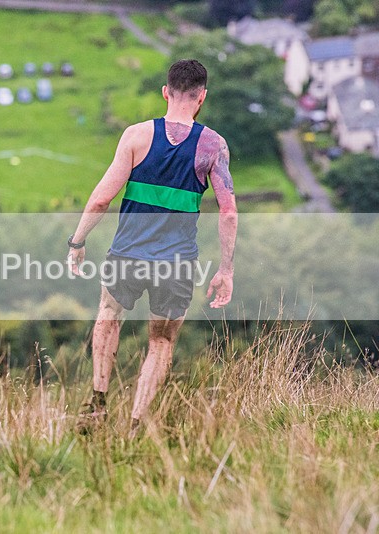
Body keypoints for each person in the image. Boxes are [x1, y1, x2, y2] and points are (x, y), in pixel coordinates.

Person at [67, 59, 238, 434]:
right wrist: (225, 270)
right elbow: (228, 212)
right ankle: (134, 423)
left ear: (166, 92)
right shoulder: (213, 145)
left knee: (108, 315)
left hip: (127, 254)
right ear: (201, 97)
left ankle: (97, 404)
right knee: (161, 342)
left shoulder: (136, 136)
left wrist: (77, 241)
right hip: (177, 265)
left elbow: (100, 199)